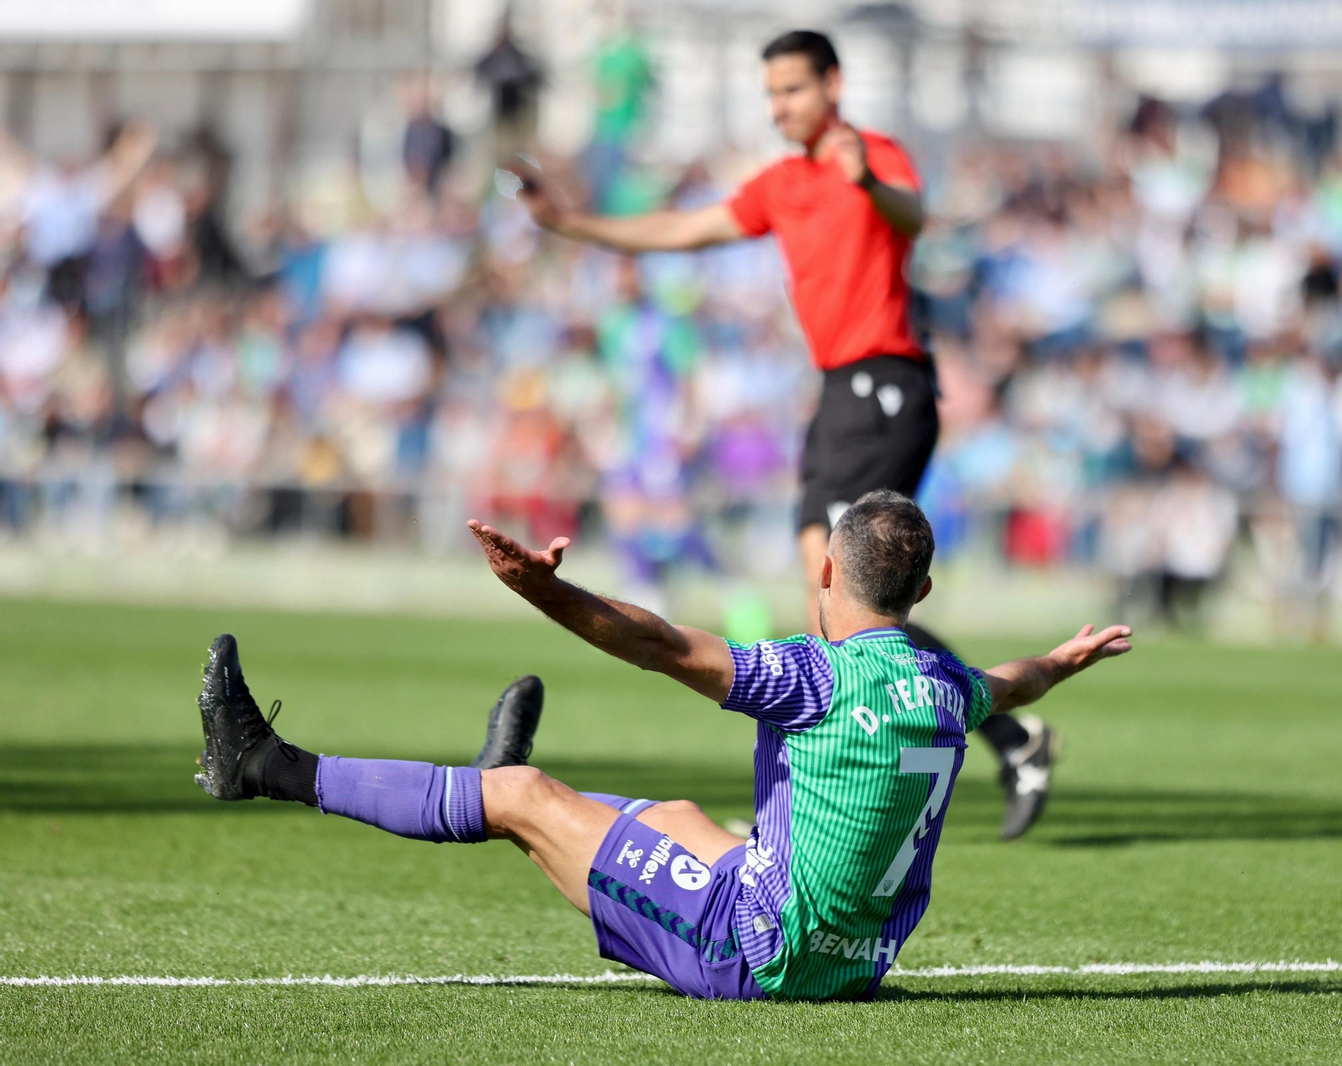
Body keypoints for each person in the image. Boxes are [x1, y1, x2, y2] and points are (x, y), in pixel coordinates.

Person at [193, 490, 1132, 1001]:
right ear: (921, 598)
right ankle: (493, 789)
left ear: (825, 571)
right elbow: (1021, 682)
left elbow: (656, 644)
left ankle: (263, 764)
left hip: (762, 951)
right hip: (856, 962)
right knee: (683, 818)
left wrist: (541, 590)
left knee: (528, 800)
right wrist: (1066, 657)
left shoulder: (813, 676)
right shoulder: (947, 688)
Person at [505, 29, 1062, 839]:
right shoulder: (782, 184)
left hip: (886, 382)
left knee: (841, 595)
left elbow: (912, 213)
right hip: (841, 392)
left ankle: (919, 761)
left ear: (833, 84)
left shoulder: (868, 155)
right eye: (770, 95)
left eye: (792, 90)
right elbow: (682, 230)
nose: (779, 108)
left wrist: (867, 177)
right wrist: (571, 224)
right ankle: (986, 742)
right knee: (824, 599)